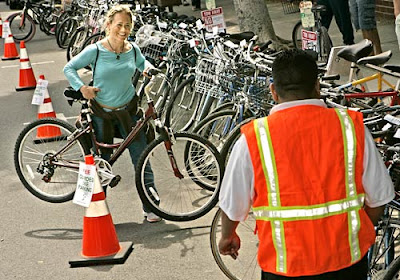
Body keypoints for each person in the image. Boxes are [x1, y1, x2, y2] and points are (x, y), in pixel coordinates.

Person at [218, 49, 394, 279]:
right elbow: (379, 197)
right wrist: (357, 232)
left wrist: (227, 236)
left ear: (273, 91)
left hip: (284, 267)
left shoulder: (254, 138)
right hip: (347, 263)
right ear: (317, 86)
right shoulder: (351, 127)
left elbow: (233, 204)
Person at [63, 5, 162, 223]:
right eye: (119, 25)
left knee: (141, 158)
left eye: (128, 25)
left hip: (128, 112)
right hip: (102, 115)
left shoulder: (133, 49)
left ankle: (151, 206)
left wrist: (148, 68)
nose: (123, 30)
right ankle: (98, 212)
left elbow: (142, 62)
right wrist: (82, 88)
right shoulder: (96, 50)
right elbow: (69, 68)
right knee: (102, 163)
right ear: (108, 25)